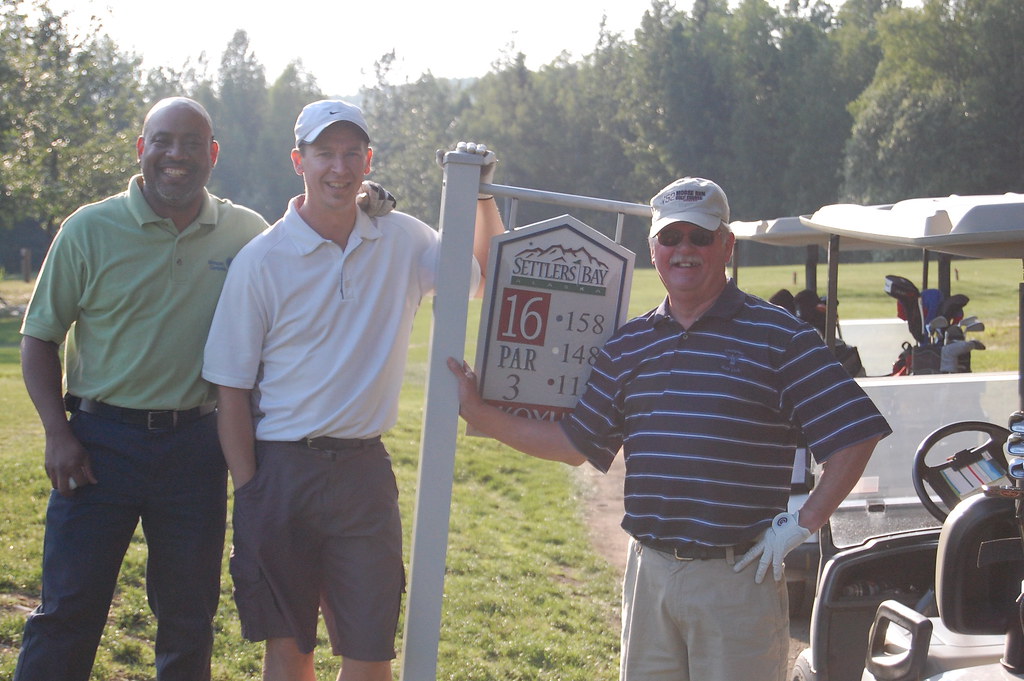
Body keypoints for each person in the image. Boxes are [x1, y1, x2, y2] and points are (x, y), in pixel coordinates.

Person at [447, 176, 891, 681]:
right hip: (649, 574)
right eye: (671, 237)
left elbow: (855, 433)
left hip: (737, 576)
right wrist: (480, 413)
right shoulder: (628, 345)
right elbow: (574, 445)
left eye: (700, 237)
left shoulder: (780, 337)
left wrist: (803, 523)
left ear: (727, 245)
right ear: (652, 248)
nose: (685, 249)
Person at [15, 96, 395, 681]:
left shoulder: (243, 232)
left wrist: (364, 198)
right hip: (97, 443)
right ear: (141, 149)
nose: (177, 155)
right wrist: (57, 434)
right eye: (163, 141)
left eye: (192, 144)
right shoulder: (88, 229)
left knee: (189, 617)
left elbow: (308, 229)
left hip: (195, 447)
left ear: (212, 154)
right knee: (69, 608)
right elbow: (39, 338)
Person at [201, 99, 505, 681]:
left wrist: (481, 197)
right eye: (324, 154)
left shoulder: (401, 237)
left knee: (370, 654)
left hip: (364, 475)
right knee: (289, 653)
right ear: (299, 161)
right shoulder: (261, 259)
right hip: (282, 472)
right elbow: (230, 390)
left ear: (368, 160)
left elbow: (485, 275)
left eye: (351, 154)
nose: (338, 168)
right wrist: (252, 489)